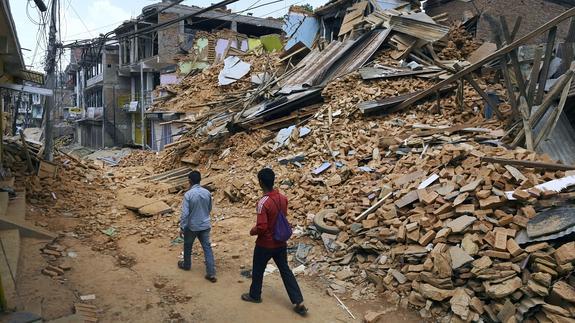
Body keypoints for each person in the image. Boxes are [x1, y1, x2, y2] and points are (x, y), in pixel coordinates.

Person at [241, 168, 308, 316]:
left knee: (258, 269)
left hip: (265, 244)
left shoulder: (263, 203)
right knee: (285, 270)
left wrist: (253, 231)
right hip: (280, 242)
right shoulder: (282, 198)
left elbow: (262, 227)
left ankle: (255, 295)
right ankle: (298, 300)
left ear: (260, 183)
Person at [178, 170, 216, 283]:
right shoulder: (207, 192)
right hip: (205, 224)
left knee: (188, 245)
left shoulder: (188, 195)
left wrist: (182, 227)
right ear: (200, 180)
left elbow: (185, 214)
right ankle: (211, 273)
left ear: (189, 181)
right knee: (207, 248)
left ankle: (186, 265)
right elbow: (209, 208)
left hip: (192, 226)